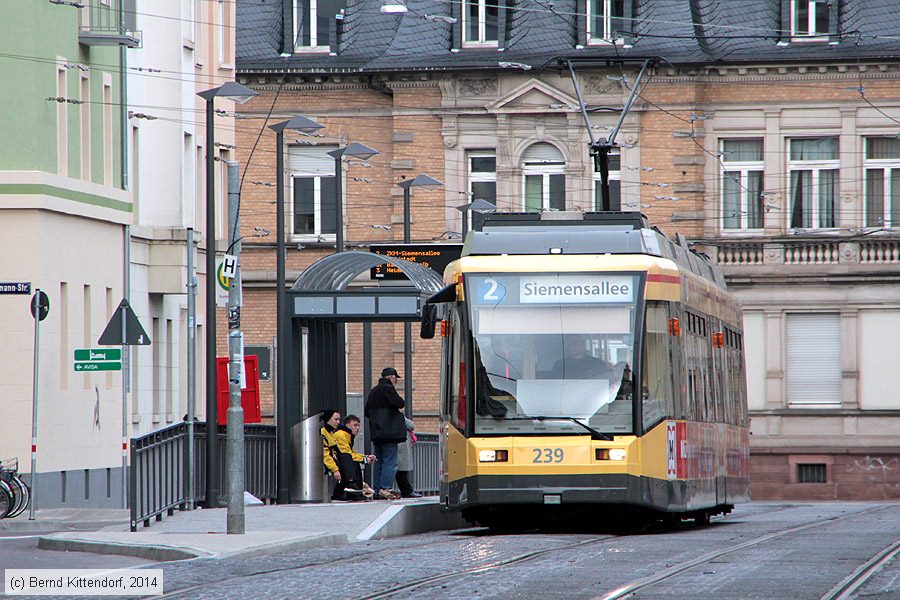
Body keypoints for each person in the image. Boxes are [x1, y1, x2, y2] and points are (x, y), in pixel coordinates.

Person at [365, 367, 407, 500]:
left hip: (377, 433)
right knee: (390, 462)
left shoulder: (374, 390)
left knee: (379, 461)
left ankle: (377, 490)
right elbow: (400, 403)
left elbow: (367, 411)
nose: (396, 381)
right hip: (389, 432)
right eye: (395, 378)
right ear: (391, 377)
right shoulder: (387, 388)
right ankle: (385, 488)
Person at [333, 415, 376, 500]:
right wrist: (364, 459)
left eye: (358, 425)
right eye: (355, 425)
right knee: (348, 459)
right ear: (347, 425)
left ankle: (352, 490)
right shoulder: (341, 435)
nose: (357, 428)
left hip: (337, 459)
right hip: (335, 460)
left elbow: (352, 453)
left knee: (352, 461)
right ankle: (351, 484)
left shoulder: (347, 435)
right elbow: (346, 453)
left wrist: (365, 457)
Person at [395, 417, 422, 498]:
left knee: (399, 470)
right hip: (401, 444)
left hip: (397, 443)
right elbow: (410, 425)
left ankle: (407, 491)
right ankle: (407, 491)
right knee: (401, 470)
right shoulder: (397, 415)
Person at [320, 409, 343, 499]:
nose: (338, 422)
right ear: (328, 419)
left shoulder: (330, 432)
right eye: (336, 419)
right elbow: (325, 454)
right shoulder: (323, 432)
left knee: (347, 458)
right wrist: (335, 470)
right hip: (325, 463)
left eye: (339, 420)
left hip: (331, 461)